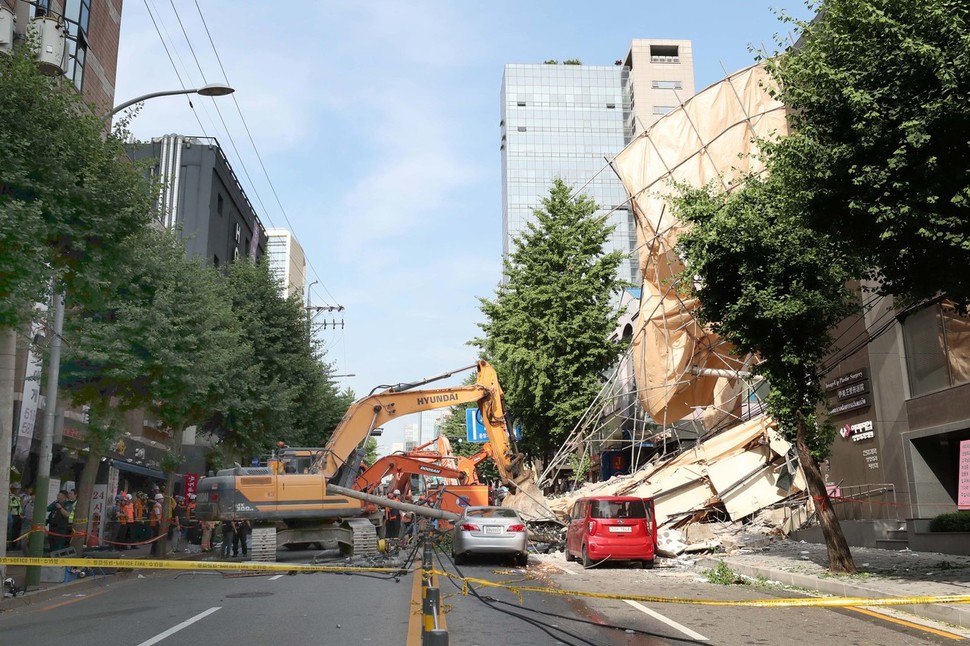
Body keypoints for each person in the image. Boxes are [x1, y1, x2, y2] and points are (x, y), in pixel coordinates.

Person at [8, 482, 23, 548]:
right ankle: (10, 545)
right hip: (12, 516)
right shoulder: (9, 497)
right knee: (11, 531)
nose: (18, 490)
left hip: (18, 516)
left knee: (17, 531)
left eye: (19, 489)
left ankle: (14, 545)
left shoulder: (19, 497)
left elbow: (20, 507)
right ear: (12, 489)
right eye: (16, 489)